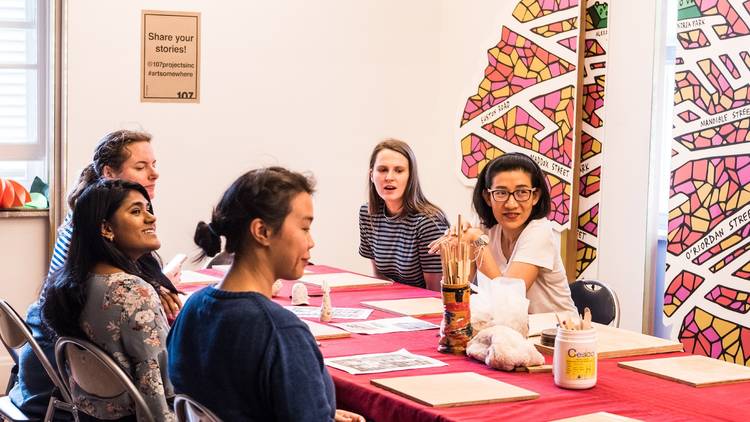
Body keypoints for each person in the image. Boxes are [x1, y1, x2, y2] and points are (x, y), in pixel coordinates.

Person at [168, 167, 364, 422]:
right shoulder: (279, 331)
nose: (311, 242)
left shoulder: (193, 308)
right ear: (262, 232)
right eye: (304, 228)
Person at [9, 130, 180, 418]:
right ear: (108, 173)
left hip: (85, 405)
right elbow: (158, 396)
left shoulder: (85, 263)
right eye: (141, 167)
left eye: (154, 164)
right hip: (53, 389)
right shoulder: (126, 289)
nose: (154, 174)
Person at [39, 179, 174, 421]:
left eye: (148, 209)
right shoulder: (134, 292)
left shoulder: (66, 284)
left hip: (89, 415)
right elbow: (158, 387)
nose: (151, 218)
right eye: (136, 211)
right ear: (106, 229)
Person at [444, 152, 575, 314]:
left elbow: (508, 301)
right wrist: (458, 242)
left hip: (554, 333)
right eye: (501, 193)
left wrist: (477, 240)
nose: (511, 204)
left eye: (521, 192)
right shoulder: (485, 226)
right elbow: (457, 294)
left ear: (535, 196)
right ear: (487, 197)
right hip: (504, 329)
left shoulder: (540, 232)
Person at [359, 139, 449, 291]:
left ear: (410, 176)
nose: (389, 177)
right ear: (371, 175)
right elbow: (380, 279)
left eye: (399, 170)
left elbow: (435, 293)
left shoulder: (429, 222)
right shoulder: (367, 214)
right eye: (382, 170)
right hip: (394, 302)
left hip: (427, 305)